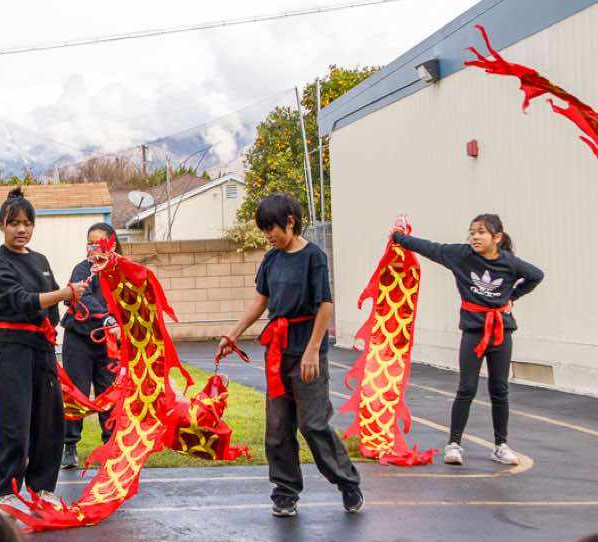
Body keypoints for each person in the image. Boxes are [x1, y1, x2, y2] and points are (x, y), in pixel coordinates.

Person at [217, 194, 362, 519]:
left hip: (307, 349)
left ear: (290, 221)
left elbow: (325, 305)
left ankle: (347, 482)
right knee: (278, 427)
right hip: (277, 353)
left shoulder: (314, 257)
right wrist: (232, 334)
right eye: (264, 230)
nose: (268, 235)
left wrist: (312, 349)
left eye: (271, 228)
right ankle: (285, 492)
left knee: (313, 424)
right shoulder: (271, 259)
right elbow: (260, 302)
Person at [390, 214, 543, 467]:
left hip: (500, 332)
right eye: (472, 232)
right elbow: (430, 248)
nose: (475, 237)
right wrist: (399, 238)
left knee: (499, 390)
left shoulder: (509, 263)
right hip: (473, 332)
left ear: (497, 237)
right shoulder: (461, 256)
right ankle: (454, 444)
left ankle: (501, 445)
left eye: (481, 232)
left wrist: (512, 297)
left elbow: (536, 275)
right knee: (467, 388)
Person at [0, 189, 79, 501]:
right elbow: (21, 300)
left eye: (27, 223)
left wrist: (74, 301)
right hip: (12, 348)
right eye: (14, 223)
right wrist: (64, 294)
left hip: (42, 347)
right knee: (14, 421)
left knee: (49, 421)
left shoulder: (40, 261)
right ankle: (4, 492)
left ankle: (41, 488)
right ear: (2, 225)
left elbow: (52, 305)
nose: (21, 229)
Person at [59, 222, 121, 471]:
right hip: (79, 340)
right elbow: (83, 297)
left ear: (111, 244)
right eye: (89, 243)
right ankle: (69, 445)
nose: (93, 247)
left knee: (109, 392)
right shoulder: (82, 270)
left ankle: (110, 444)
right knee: (77, 393)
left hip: (109, 343)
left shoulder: (120, 271)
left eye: (98, 243)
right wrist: (106, 319)